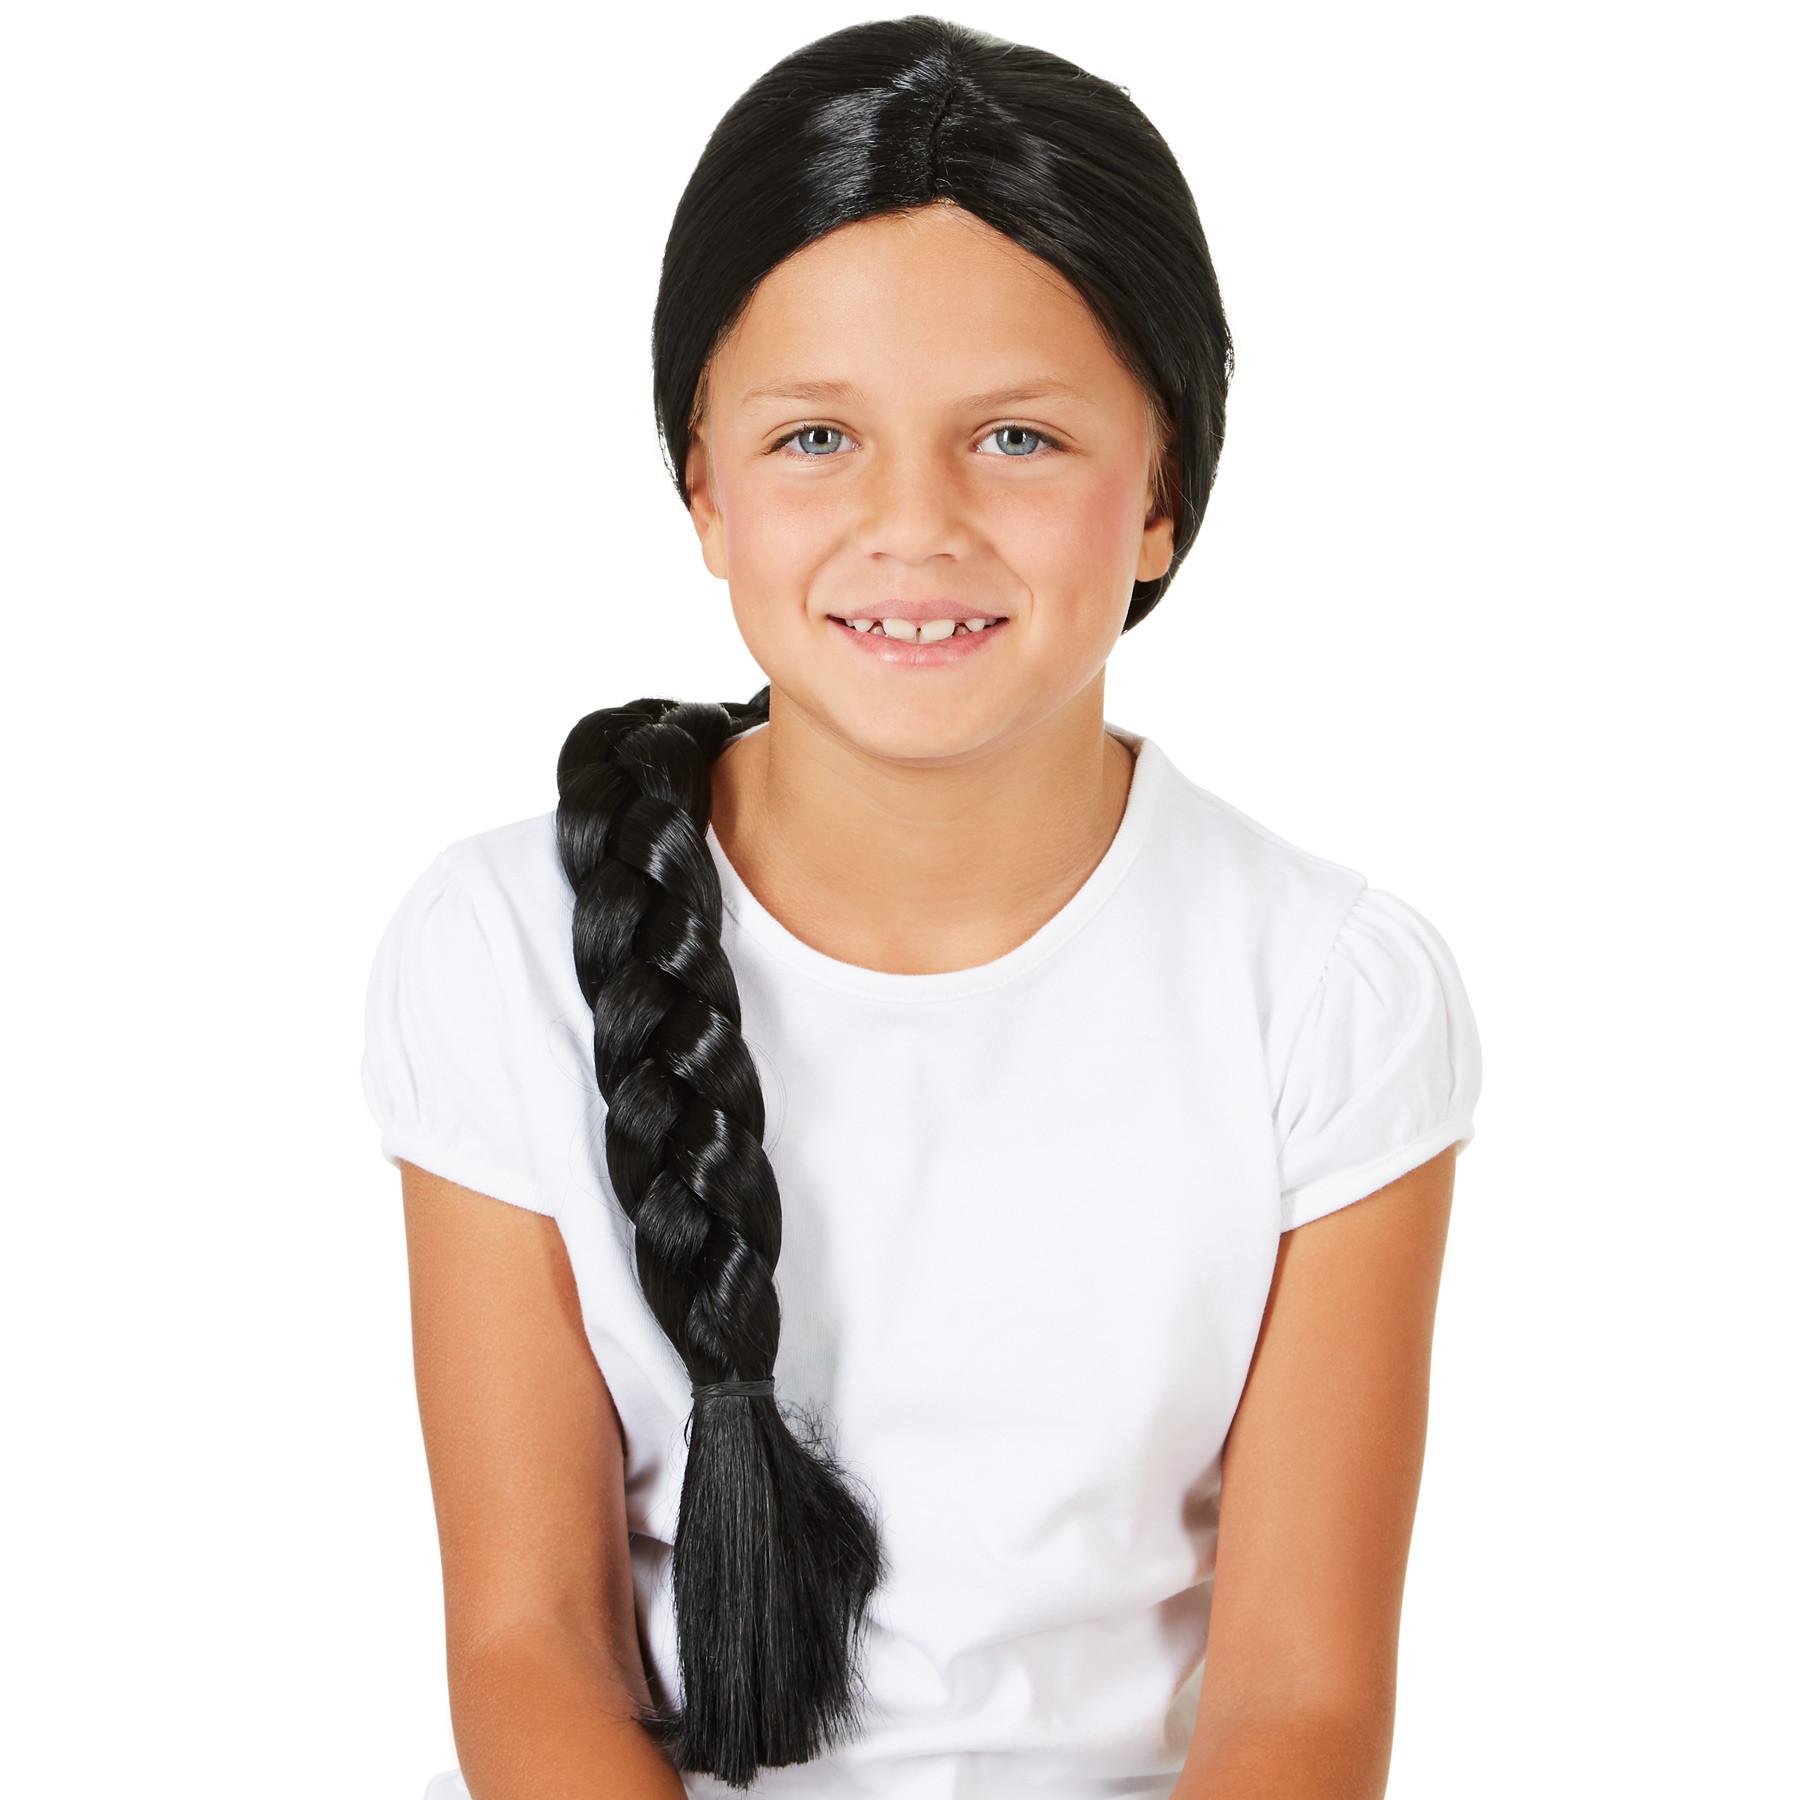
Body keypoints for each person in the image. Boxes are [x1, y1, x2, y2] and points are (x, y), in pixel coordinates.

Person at [361, 17, 1484, 1800]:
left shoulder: (1329, 991)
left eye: (1018, 438)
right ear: (704, 487)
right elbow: (530, 1643)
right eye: (816, 436)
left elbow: (1299, 1701)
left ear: (1163, 497)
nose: (915, 526)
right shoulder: (499, 947)